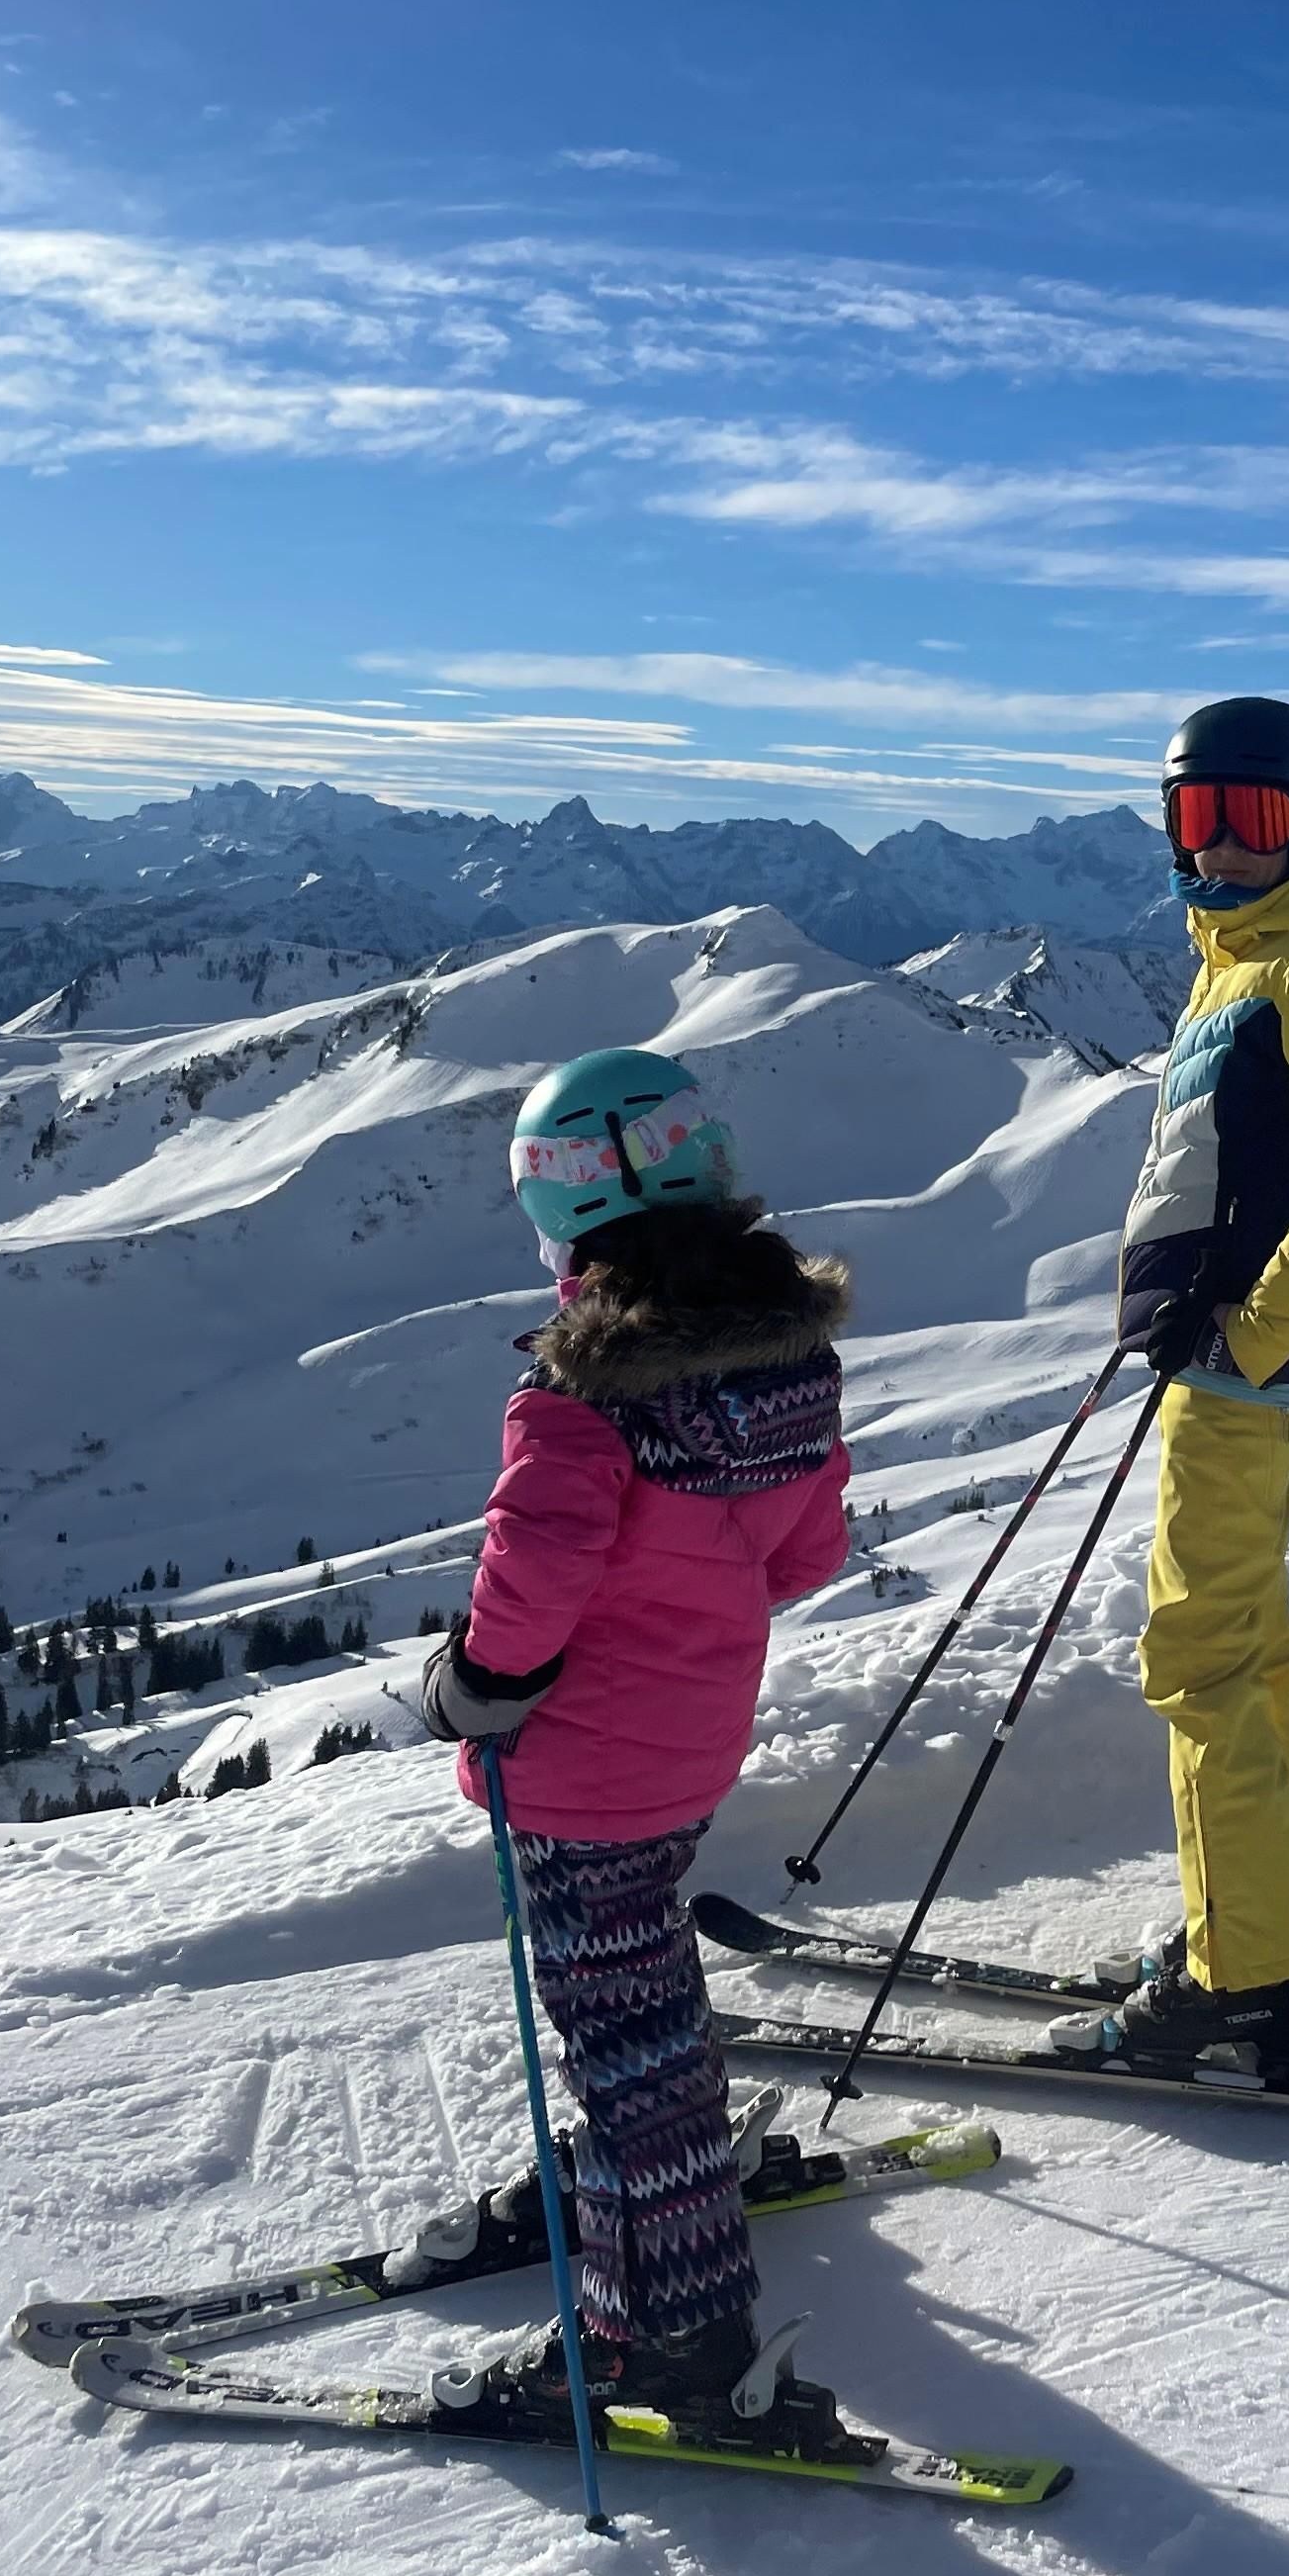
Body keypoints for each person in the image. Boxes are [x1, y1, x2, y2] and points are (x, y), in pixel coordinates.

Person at [412, 1046, 866, 2450]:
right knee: (640, 1985)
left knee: (618, 2035)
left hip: (577, 1772)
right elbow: (806, 1556)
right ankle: (656, 2173)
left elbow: (533, 1579)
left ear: (559, 1218)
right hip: (689, 1746)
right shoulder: (787, 1365)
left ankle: (661, 2327)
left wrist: (476, 1683)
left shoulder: (580, 1400)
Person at [1054, 696, 1289, 2072]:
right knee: (1251, 1650)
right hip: (1245, 1363)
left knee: (1198, 1659)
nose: (1219, 848)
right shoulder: (1251, 950)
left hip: (1252, 1375)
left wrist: (1243, 1336)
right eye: (1194, 815)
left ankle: (1246, 1976)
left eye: (1251, 818)